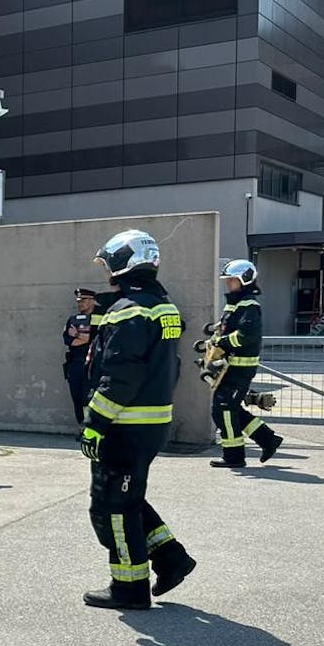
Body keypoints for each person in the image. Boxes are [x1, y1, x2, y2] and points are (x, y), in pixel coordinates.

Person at [78, 229, 196, 610]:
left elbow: (120, 376)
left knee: (111, 506)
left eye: (108, 262)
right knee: (129, 499)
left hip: (124, 426)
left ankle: (129, 587)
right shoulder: (161, 305)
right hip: (150, 422)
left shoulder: (128, 309)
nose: (106, 270)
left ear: (122, 263)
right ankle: (171, 558)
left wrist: (94, 423)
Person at [208, 260, 283, 468]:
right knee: (229, 408)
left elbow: (245, 335)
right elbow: (228, 324)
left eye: (232, 280)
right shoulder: (236, 303)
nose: (228, 284)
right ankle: (268, 439)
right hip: (230, 367)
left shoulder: (249, 305)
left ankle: (234, 457)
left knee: (223, 408)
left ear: (244, 280)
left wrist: (221, 342)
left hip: (240, 368)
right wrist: (214, 331)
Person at [64, 288, 96, 423]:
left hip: (93, 364)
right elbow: (68, 341)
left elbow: (92, 338)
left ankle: (91, 427)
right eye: (79, 301)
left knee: (89, 398)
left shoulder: (98, 319)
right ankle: (82, 427)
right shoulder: (72, 320)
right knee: (77, 397)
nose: (80, 303)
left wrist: (77, 334)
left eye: (83, 300)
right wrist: (83, 338)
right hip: (75, 364)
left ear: (92, 301)